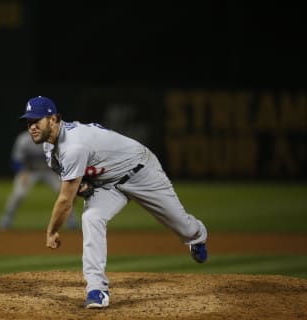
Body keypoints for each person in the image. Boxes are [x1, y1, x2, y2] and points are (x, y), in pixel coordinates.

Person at [19, 96, 208, 309]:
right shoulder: (49, 148)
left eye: (37, 120)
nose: (32, 126)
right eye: (29, 122)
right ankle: (96, 289)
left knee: (183, 226)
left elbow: (65, 200)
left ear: (53, 119)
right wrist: (83, 186)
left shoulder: (72, 146)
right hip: (107, 184)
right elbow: (77, 181)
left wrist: (52, 231)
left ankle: (197, 236)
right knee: (92, 217)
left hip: (141, 171)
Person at [0, 130, 78, 230]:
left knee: (65, 192)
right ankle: (7, 218)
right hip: (29, 171)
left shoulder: (53, 139)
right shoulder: (24, 139)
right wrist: (22, 172)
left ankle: (71, 220)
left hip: (49, 171)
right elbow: (16, 160)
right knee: (19, 194)